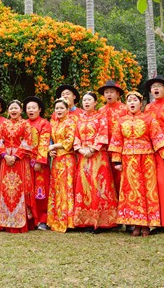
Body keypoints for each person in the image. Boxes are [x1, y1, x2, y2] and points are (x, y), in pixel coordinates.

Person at [110, 91, 164, 237]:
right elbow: (117, 141)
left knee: (147, 190)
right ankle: (135, 224)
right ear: (126, 104)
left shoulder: (149, 119)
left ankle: (147, 225)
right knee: (132, 191)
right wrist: (117, 160)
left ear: (141, 103)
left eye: (135, 100)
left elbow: (158, 139)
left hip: (146, 159)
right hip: (128, 160)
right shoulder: (121, 121)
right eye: (129, 100)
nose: (132, 103)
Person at [73, 91, 118, 230]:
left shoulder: (101, 117)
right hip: (83, 156)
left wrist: (92, 149)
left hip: (98, 156)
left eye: (89, 100)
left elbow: (103, 135)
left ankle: (103, 221)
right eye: (84, 100)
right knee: (84, 187)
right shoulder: (79, 118)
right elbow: (76, 136)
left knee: (99, 186)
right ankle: (86, 221)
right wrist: (80, 149)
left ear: (95, 102)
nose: (86, 103)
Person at [0, 100, 37, 233]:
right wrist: (5, 155)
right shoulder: (3, 125)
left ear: (21, 110)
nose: (13, 111)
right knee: (6, 189)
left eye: (16, 108)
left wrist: (15, 156)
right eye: (11, 108)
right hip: (5, 160)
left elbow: (27, 142)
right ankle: (5, 221)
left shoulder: (25, 124)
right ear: (8, 110)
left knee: (21, 188)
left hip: (20, 161)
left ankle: (21, 220)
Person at [143, 75, 164, 232]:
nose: (156, 89)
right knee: (152, 185)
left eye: (159, 86)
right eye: (153, 87)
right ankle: (154, 221)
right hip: (148, 150)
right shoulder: (148, 107)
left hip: (163, 149)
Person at [47, 98, 77, 232]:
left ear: (67, 110)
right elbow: (50, 139)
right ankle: (56, 218)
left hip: (67, 159)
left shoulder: (71, 122)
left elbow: (69, 141)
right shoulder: (53, 123)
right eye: (57, 108)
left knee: (67, 188)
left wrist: (54, 146)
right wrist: (51, 149)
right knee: (56, 188)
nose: (59, 110)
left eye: (61, 108)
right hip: (57, 160)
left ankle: (68, 221)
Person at [25, 96, 51, 231]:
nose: (31, 110)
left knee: (41, 192)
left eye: (33, 108)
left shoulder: (44, 124)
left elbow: (44, 143)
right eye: (28, 108)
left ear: (39, 110)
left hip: (40, 164)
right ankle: (30, 219)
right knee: (27, 191)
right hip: (25, 163)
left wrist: (40, 160)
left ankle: (42, 219)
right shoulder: (24, 123)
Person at [99, 80, 127, 197]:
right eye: (106, 92)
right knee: (107, 178)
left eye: (111, 92)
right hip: (105, 150)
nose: (109, 95)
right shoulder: (101, 110)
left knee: (121, 177)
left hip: (121, 149)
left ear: (118, 94)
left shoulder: (125, 109)